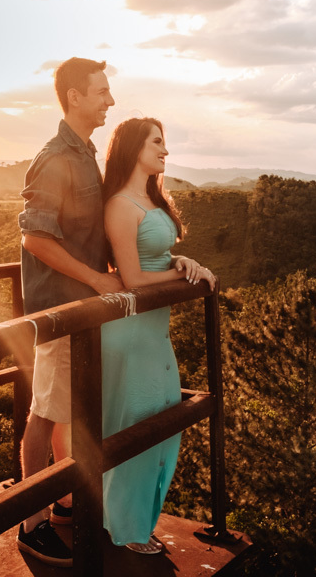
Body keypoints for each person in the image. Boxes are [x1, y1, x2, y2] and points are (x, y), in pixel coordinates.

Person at [16, 57, 123, 567]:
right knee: (44, 412)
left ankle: (62, 504)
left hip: (82, 306)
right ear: (74, 97)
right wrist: (98, 279)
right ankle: (30, 522)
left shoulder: (85, 153)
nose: (110, 101)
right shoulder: (55, 157)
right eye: (101, 92)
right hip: (61, 306)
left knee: (68, 409)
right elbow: (36, 237)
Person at [100, 117, 215, 555]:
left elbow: (159, 256)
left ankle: (131, 522)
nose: (165, 151)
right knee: (135, 428)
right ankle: (126, 530)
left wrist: (183, 260)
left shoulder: (150, 199)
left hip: (154, 333)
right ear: (134, 147)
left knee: (165, 422)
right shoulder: (119, 205)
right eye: (157, 142)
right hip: (129, 335)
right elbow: (130, 277)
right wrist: (180, 275)